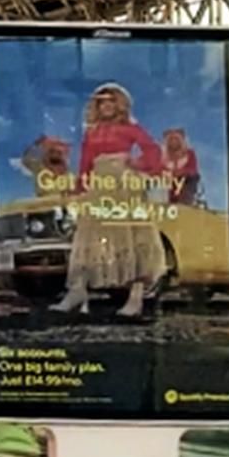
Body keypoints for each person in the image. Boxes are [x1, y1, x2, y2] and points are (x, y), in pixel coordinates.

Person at [52, 81, 168, 319]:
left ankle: (135, 297)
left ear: (120, 104)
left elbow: (153, 151)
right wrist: (79, 187)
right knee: (88, 236)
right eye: (101, 101)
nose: (106, 105)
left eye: (111, 100)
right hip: (99, 187)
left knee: (132, 237)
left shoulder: (130, 128)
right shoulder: (92, 132)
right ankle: (77, 291)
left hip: (124, 186)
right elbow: (86, 162)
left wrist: (137, 164)